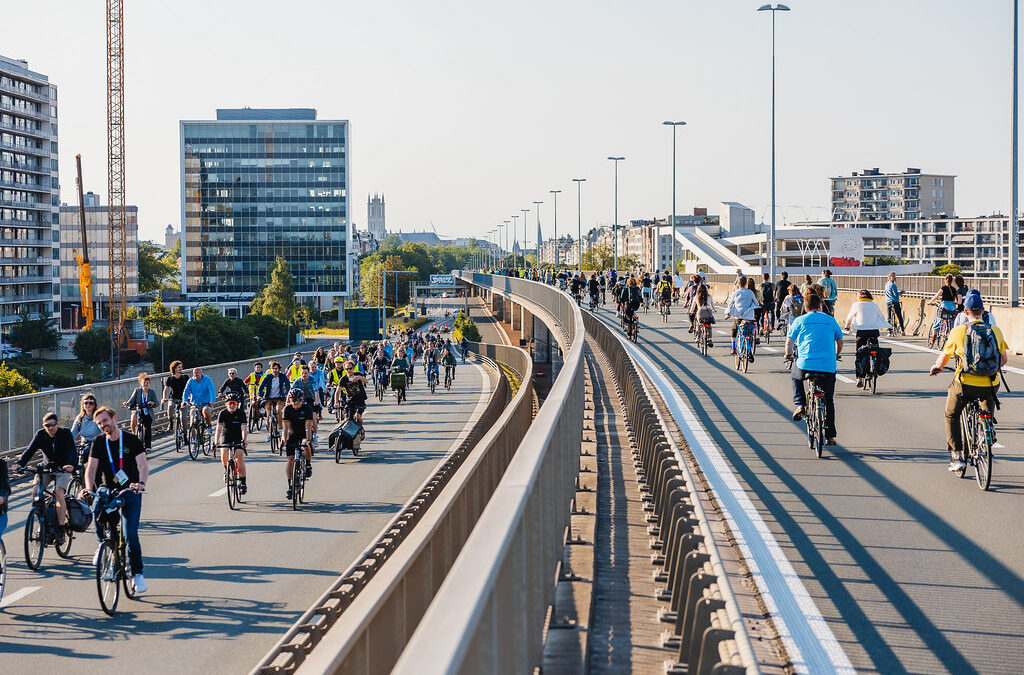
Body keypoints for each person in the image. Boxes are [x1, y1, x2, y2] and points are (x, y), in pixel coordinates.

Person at [929, 293, 1008, 472]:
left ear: (965, 311)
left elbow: (943, 358)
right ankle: (987, 431)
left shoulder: (959, 331)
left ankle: (957, 456)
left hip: (965, 384)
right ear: (983, 311)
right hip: (990, 383)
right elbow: (1004, 360)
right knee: (988, 401)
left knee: (952, 414)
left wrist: (936, 367)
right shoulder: (995, 330)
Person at [82, 405, 148, 594]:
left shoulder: (131, 440)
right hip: (108, 490)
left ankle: (137, 574)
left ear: (114, 418)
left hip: (130, 490)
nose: (103, 425)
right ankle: (102, 543)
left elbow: (143, 464)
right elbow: (91, 468)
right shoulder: (98, 442)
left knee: (130, 535)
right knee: (96, 509)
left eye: (105, 420)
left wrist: (141, 483)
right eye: (99, 423)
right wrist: (88, 488)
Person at [786, 293, 843, 445]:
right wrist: (836, 355)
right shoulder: (830, 320)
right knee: (828, 400)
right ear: (820, 306)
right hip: (828, 366)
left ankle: (800, 404)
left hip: (805, 365)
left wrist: (788, 355)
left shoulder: (800, 320)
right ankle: (830, 436)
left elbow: (789, 342)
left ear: (805, 307)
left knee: (795, 376)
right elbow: (840, 341)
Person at [13, 412, 78, 545]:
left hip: (63, 468)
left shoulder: (65, 433)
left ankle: (60, 529)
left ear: (58, 424)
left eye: (53, 424)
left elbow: (72, 450)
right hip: (46, 468)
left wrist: (70, 464)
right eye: (47, 425)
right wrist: (20, 463)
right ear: (44, 426)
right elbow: (29, 451)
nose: (51, 427)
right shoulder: (40, 434)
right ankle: (41, 520)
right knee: (36, 490)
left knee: (59, 493)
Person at [844, 290, 891, 387]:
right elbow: (882, 316)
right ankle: (875, 369)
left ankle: (858, 378)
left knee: (859, 354)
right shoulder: (874, 305)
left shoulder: (856, 305)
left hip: (862, 332)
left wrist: (847, 326)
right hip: (874, 332)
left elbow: (850, 317)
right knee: (875, 349)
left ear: (859, 297)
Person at [282, 389, 315, 500]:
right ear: (290, 400)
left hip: (304, 434)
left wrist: (309, 440)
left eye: (298, 400)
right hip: (292, 434)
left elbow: (308, 427)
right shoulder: (287, 409)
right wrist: (283, 441)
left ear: (302, 400)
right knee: (290, 460)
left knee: (306, 446)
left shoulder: (307, 409)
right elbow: (285, 429)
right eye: (293, 400)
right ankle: (290, 486)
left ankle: (308, 464)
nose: (296, 402)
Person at [216, 393, 248, 494]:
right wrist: (215, 442)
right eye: (230, 403)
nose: (232, 405)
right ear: (226, 404)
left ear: (237, 404)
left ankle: (243, 482)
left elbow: (244, 429)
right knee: (224, 452)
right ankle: (227, 470)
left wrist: (244, 440)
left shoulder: (241, 413)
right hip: (226, 435)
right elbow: (218, 429)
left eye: (234, 403)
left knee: (239, 456)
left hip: (238, 435)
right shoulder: (222, 413)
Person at [725, 277, 759, 359]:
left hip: (739, 317)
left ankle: (733, 348)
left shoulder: (735, 293)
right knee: (749, 334)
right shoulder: (750, 292)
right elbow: (756, 303)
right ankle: (749, 350)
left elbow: (730, 305)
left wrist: (728, 314)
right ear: (745, 283)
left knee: (734, 330)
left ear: (738, 284)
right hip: (749, 317)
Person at [257, 361, 291, 441]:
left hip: (279, 398)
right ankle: (269, 433)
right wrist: (259, 395)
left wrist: (287, 394)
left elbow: (287, 385)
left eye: (276, 369)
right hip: (268, 398)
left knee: (279, 410)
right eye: (273, 369)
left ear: (279, 369)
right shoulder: (268, 377)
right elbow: (261, 387)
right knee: (268, 416)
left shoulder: (282, 376)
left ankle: (280, 429)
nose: (275, 370)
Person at [124, 373, 157, 452]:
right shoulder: (137, 391)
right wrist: (127, 404)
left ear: (149, 384)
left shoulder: (152, 392)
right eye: (144, 383)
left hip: (147, 411)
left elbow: (157, 402)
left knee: (147, 427)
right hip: (138, 409)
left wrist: (153, 403)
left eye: (147, 383)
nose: (146, 384)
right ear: (141, 383)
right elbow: (131, 400)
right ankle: (134, 433)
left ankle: (148, 446)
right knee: (134, 418)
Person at [182, 366, 217, 433]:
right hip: (195, 404)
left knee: (206, 410)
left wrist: (212, 401)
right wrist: (185, 400)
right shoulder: (191, 381)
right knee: (192, 421)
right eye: (194, 373)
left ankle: (209, 424)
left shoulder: (207, 380)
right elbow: (186, 391)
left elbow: (212, 390)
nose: (196, 374)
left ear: (201, 373)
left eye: (198, 373)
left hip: (205, 403)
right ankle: (194, 440)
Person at [71, 393, 102, 463]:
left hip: (96, 444)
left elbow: (104, 431)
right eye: (86, 403)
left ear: (94, 405)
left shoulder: (98, 417)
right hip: (84, 444)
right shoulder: (80, 418)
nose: (88, 405)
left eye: (91, 403)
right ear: (83, 404)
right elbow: (73, 432)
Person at [928, 273, 960, 342]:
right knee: (952, 321)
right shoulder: (954, 289)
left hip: (944, 306)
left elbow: (936, 296)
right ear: (952, 281)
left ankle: (933, 337)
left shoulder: (943, 288)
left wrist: (930, 302)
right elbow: (956, 300)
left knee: (938, 319)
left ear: (945, 280)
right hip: (952, 308)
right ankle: (950, 335)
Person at [162, 360, 190, 437]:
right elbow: (165, 389)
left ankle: (185, 436)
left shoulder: (185, 377)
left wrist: (189, 396)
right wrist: (164, 398)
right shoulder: (170, 379)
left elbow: (189, 388)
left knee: (183, 418)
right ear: (174, 368)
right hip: (173, 398)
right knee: (170, 407)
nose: (181, 369)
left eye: (181, 367)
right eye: (179, 367)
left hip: (183, 399)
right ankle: (171, 422)